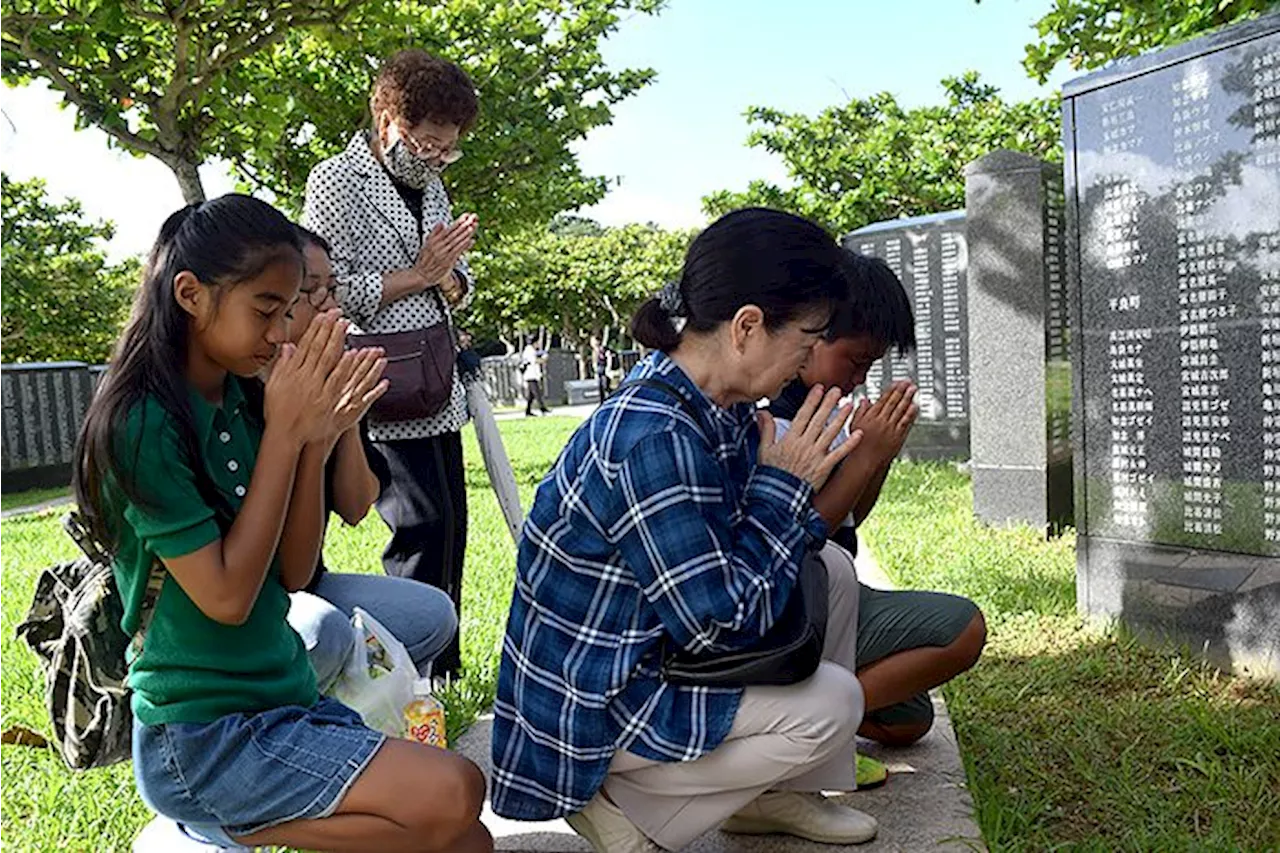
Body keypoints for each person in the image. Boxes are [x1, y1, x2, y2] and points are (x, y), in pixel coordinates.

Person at [74, 195, 490, 852]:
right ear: (190, 294)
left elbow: (294, 572)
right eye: (266, 309)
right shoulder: (141, 424)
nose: (279, 332)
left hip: (283, 694)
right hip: (202, 736)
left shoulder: (245, 393)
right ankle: (229, 822)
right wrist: (285, 433)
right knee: (455, 789)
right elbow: (230, 598)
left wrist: (315, 442)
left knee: (467, 838)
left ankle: (241, 823)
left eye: (287, 309)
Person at [492, 208, 892, 853]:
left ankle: (777, 793)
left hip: (644, 649)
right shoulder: (655, 437)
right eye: (808, 336)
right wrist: (783, 487)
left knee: (835, 572)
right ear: (748, 327)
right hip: (592, 697)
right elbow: (720, 624)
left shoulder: (713, 403)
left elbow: (740, 560)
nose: (812, 357)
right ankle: (614, 803)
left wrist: (785, 495)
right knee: (833, 704)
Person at [305, 49, 480, 677]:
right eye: (428, 142)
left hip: (435, 377)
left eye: (448, 148)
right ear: (387, 118)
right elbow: (327, 289)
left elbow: (458, 277)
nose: (436, 158)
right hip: (379, 378)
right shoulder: (334, 183)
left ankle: (444, 668)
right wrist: (419, 276)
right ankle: (404, 669)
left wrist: (450, 280)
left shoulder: (432, 185)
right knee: (418, 525)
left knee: (451, 523)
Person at [768, 249, 987, 751]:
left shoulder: (820, 409)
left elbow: (847, 518)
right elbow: (795, 537)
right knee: (963, 629)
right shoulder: (776, 418)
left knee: (908, 719)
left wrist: (877, 455)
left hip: (829, 592)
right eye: (856, 361)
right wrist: (864, 461)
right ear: (812, 332)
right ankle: (794, 735)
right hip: (794, 603)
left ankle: (810, 716)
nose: (859, 378)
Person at [282, 227, 459, 691]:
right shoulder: (254, 385)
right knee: (324, 631)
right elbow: (287, 571)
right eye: (310, 290)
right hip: (264, 593)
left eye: (332, 288)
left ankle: (353, 706)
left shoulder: (335, 375)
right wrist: (308, 435)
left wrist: (344, 423)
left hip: (309, 582)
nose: (328, 304)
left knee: (434, 616)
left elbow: (357, 507)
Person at [520, 339, 550, 416]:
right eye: (537, 343)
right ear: (534, 343)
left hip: (533, 374)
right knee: (537, 393)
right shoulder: (529, 350)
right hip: (530, 375)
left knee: (531, 396)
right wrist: (544, 359)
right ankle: (543, 409)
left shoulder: (532, 350)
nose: (538, 345)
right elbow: (534, 360)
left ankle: (528, 411)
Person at [591, 334, 614, 402]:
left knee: (605, 386)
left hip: (604, 369)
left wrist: (608, 368)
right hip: (598, 370)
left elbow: (609, 358)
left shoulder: (604, 349)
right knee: (600, 387)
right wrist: (594, 368)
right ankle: (602, 401)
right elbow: (594, 360)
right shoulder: (594, 350)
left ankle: (610, 398)